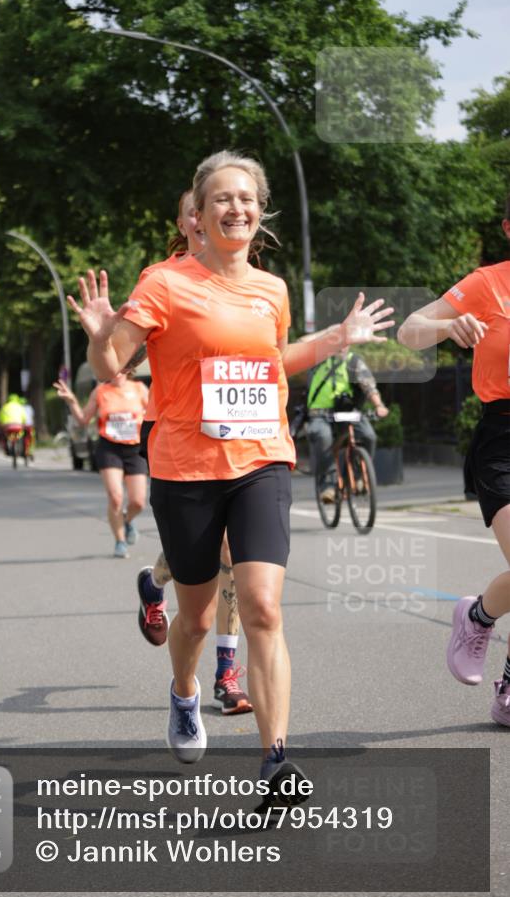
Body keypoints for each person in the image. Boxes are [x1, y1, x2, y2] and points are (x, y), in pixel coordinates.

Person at [67, 150, 393, 790]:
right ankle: (185, 691)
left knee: (263, 607)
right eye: (221, 198)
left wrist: (335, 339)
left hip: (260, 459)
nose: (235, 208)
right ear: (200, 211)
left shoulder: (270, 290)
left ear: (260, 209)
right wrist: (101, 334)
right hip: (186, 467)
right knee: (191, 619)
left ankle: (275, 760)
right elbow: (111, 370)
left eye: (246, 198)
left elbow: (273, 360)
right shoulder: (163, 282)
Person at [135, 189, 253, 715]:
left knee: (228, 553)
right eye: (195, 210)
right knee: (206, 554)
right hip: (171, 431)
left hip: (236, 433)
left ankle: (227, 673)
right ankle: (156, 580)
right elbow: (125, 352)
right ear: (186, 221)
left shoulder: (246, 278)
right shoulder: (160, 278)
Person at [398, 199, 510, 727]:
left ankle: (480, 617)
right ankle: (478, 618)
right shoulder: (488, 284)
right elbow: (410, 330)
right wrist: (449, 326)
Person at [55, 371, 149, 558]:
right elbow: (83, 420)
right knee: (115, 497)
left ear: (127, 368)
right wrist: (71, 400)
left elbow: (156, 414)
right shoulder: (101, 391)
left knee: (138, 502)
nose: (115, 370)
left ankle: (125, 520)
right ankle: (120, 541)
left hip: (135, 448)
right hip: (109, 448)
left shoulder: (139, 389)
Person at [306, 345, 389, 502]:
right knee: (323, 437)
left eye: (345, 342)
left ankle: (359, 477)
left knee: (368, 436)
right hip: (320, 413)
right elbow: (303, 342)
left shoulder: (353, 362)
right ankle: (327, 486)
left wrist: (379, 405)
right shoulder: (319, 359)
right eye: (337, 341)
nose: (341, 346)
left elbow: (369, 386)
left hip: (348, 411)